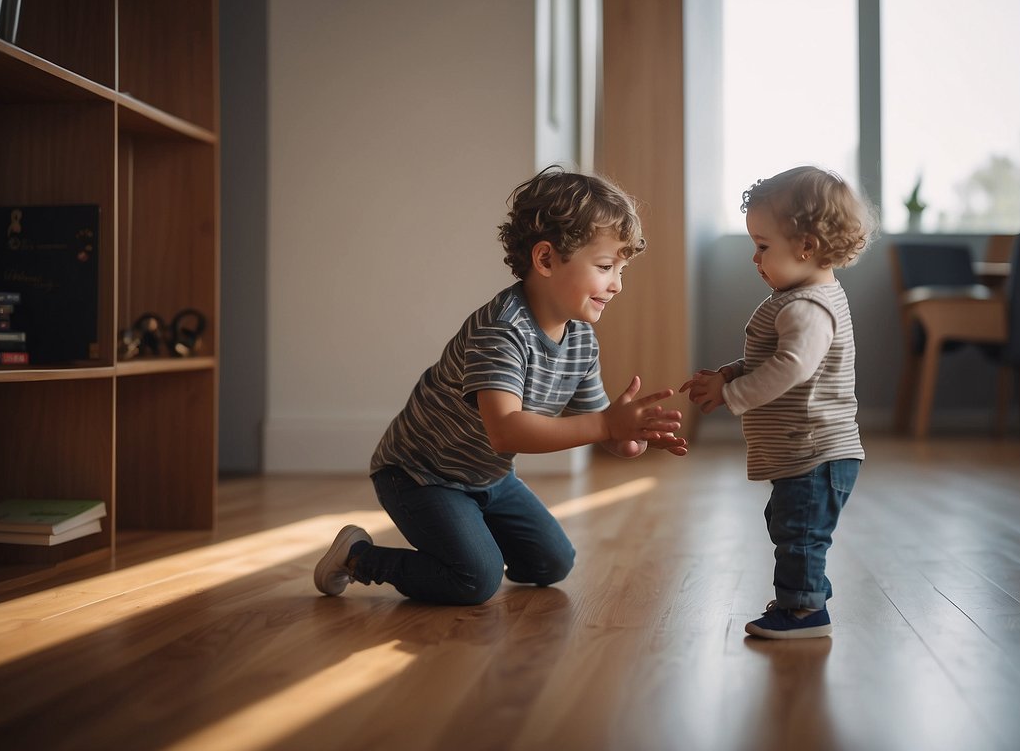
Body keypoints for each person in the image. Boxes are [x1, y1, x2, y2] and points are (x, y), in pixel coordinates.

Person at [315, 165, 688, 605]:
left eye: (621, 270)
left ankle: (468, 530)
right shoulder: (501, 329)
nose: (617, 285)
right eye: (606, 267)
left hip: (487, 476)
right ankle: (358, 556)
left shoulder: (581, 337)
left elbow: (597, 420)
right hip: (420, 474)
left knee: (553, 564)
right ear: (546, 259)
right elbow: (506, 430)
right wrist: (608, 426)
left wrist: (629, 435)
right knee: (476, 580)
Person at [680, 166, 874, 639]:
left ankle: (804, 612)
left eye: (762, 245)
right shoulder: (802, 297)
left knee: (800, 533)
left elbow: (792, 367)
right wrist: (730, 371)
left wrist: (731, 394)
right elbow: (769, 356)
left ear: (806, 246)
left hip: (815, 450)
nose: (754, 257)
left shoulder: (808, 307)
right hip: (806, 451)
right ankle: (804, 594)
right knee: (790, 525)